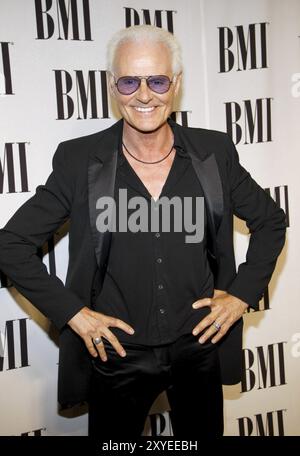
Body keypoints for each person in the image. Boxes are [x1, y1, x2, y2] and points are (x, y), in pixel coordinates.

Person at [0, 25, 286, 438]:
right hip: (116, 356)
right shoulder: (79, 160)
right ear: (112, 86)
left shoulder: (214, 153)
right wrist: (74, 315)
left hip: (199, 345)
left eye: (157, 80)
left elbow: (271, 221)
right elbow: (10, 245)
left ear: (177, 84)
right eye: (130, 81)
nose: (145, 94)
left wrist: (241, 295)